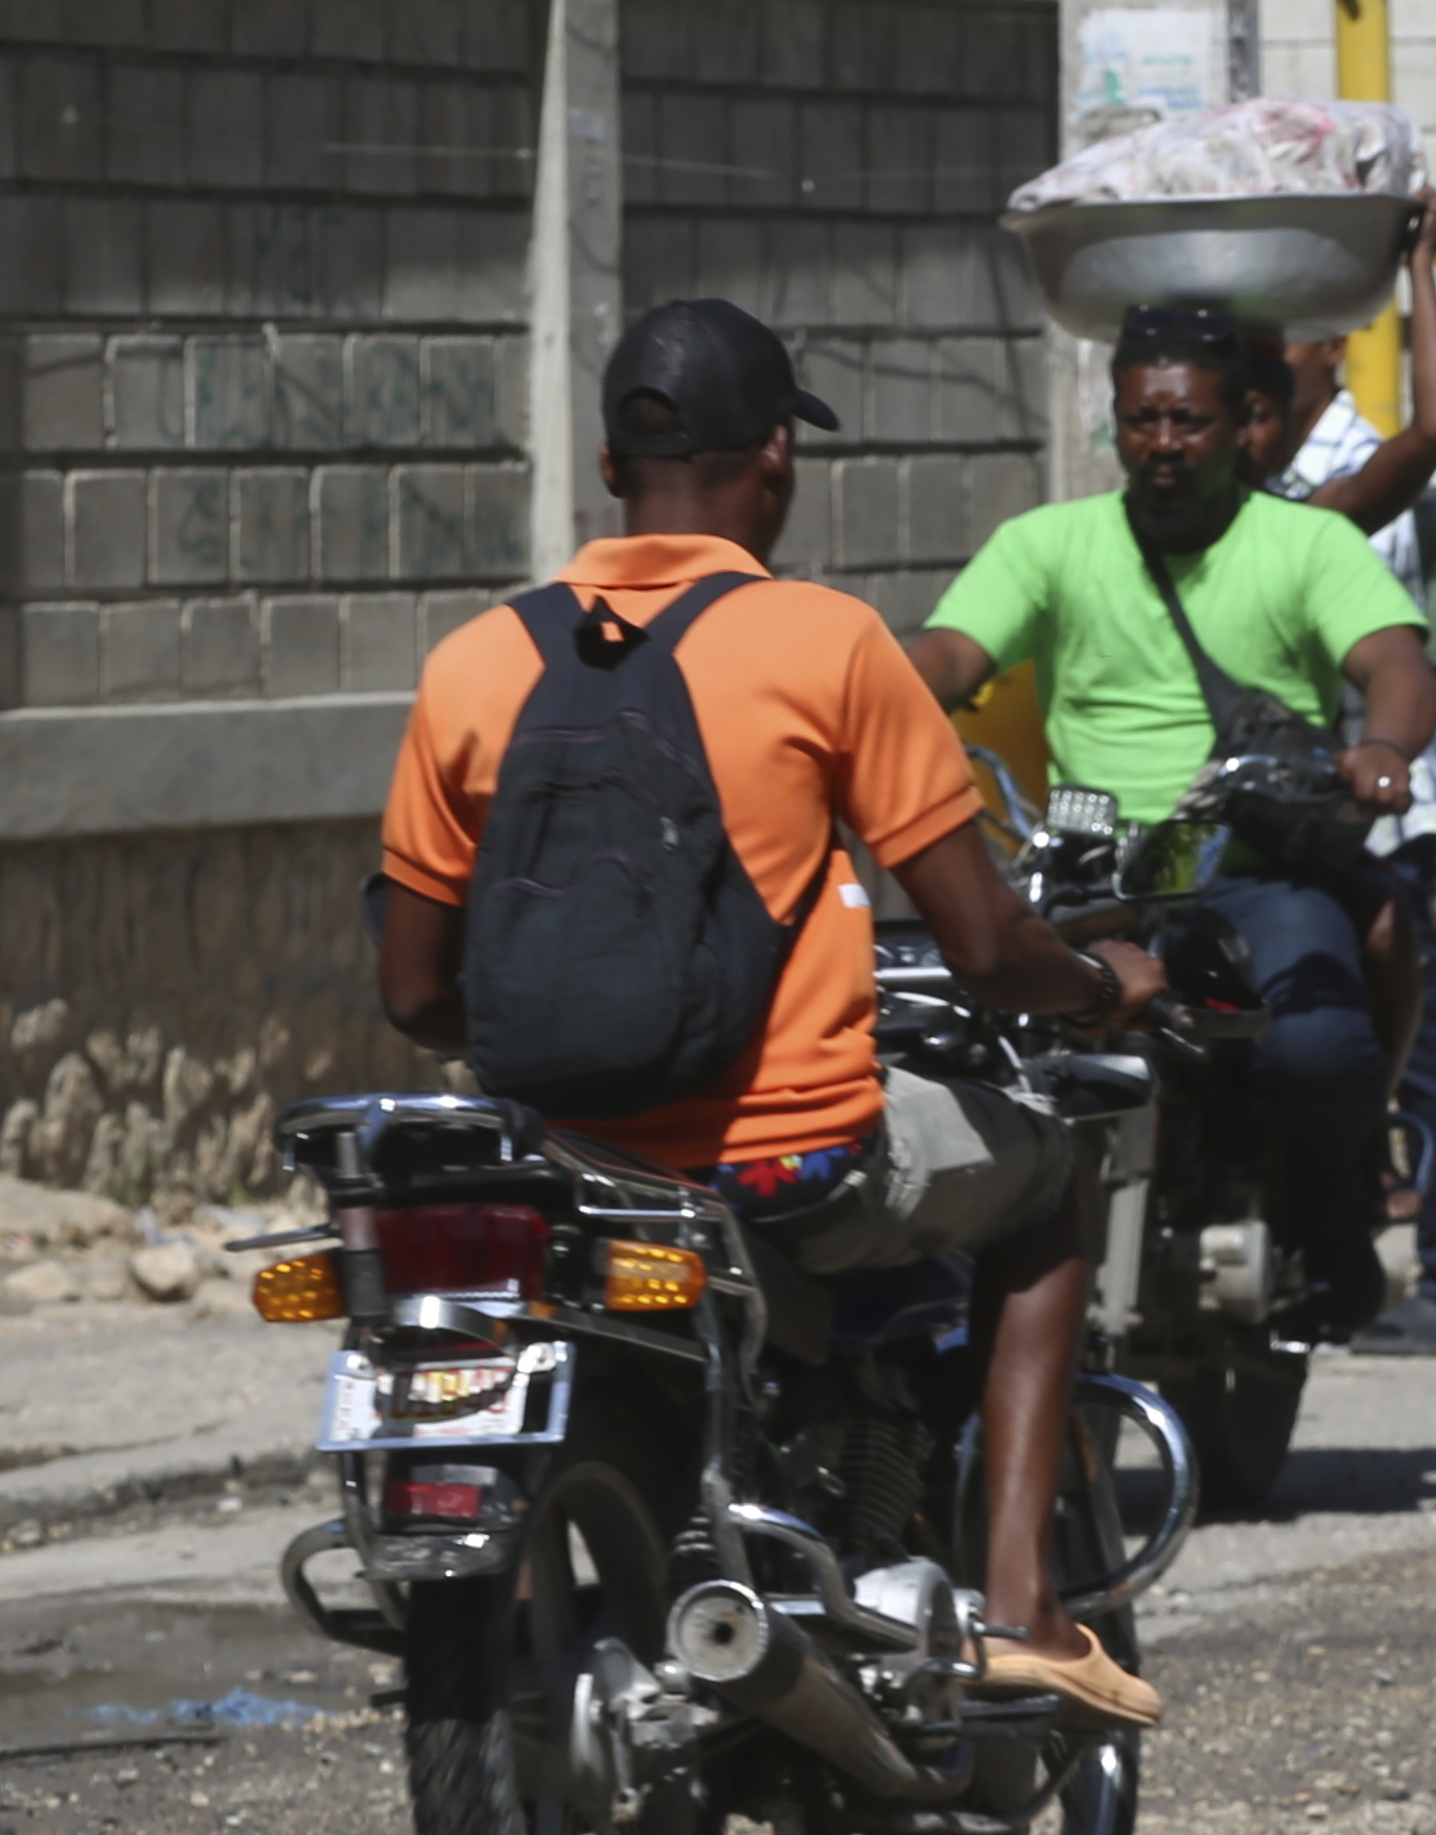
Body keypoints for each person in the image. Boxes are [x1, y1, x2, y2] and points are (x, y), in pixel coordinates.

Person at [373, 298, 1158, 1727]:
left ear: (608, 467)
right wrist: (1106, 980)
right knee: (1056, 1163)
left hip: (570, 1174)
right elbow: (985, 948)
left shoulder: (474, 661)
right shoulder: (829, 643)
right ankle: (1026, 1607)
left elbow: (416, 990)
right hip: (784, 1165)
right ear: (778, 461)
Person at [909, 296, 1436, 1363]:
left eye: (1187, 422)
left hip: (1254, 873)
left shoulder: (1307, 542)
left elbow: (1394, 662)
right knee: (965, 1042)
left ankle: (1333, 1218)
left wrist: (1383, 747)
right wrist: (852, 704)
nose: (1161, 444)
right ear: (1115, 421)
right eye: (1140, 420)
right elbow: (946, 660)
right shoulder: (1047, 543)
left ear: (1243, 419)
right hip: (1096, 875)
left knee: (1324, 1044)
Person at [1272, 197, 1436, 1354]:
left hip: (1373, 811)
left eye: (1291, 335)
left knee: (1418, 1057)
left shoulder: (1351, 472)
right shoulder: (1257, 464)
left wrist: (1417, 267)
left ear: (1329, 349)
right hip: (1288, 815)